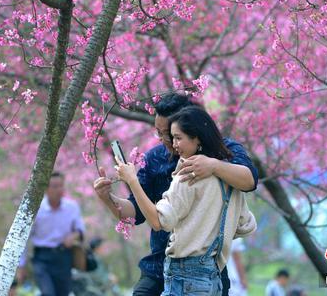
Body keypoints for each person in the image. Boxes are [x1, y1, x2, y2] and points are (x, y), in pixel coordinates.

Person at [94, 92, 258, 296]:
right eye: (159, 133)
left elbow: (249, 181)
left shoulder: (223, 151)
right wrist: (108, 198)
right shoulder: (155, 158)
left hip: (208, 268)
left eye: (171, 135)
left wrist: (214, 165)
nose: (164, 140)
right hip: (159, 265)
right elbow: (137, 211)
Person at [18, 171, 85, 296]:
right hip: (42, 258)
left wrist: (73, 236)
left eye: (61, 185)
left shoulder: (72, 207)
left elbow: (80, 230)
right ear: (46, 189)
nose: (59, 189)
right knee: (48, 293)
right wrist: (21, 265)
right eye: (55, 186)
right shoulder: (37, 209)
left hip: (64, 257)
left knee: (63, 293)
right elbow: (25, 239)